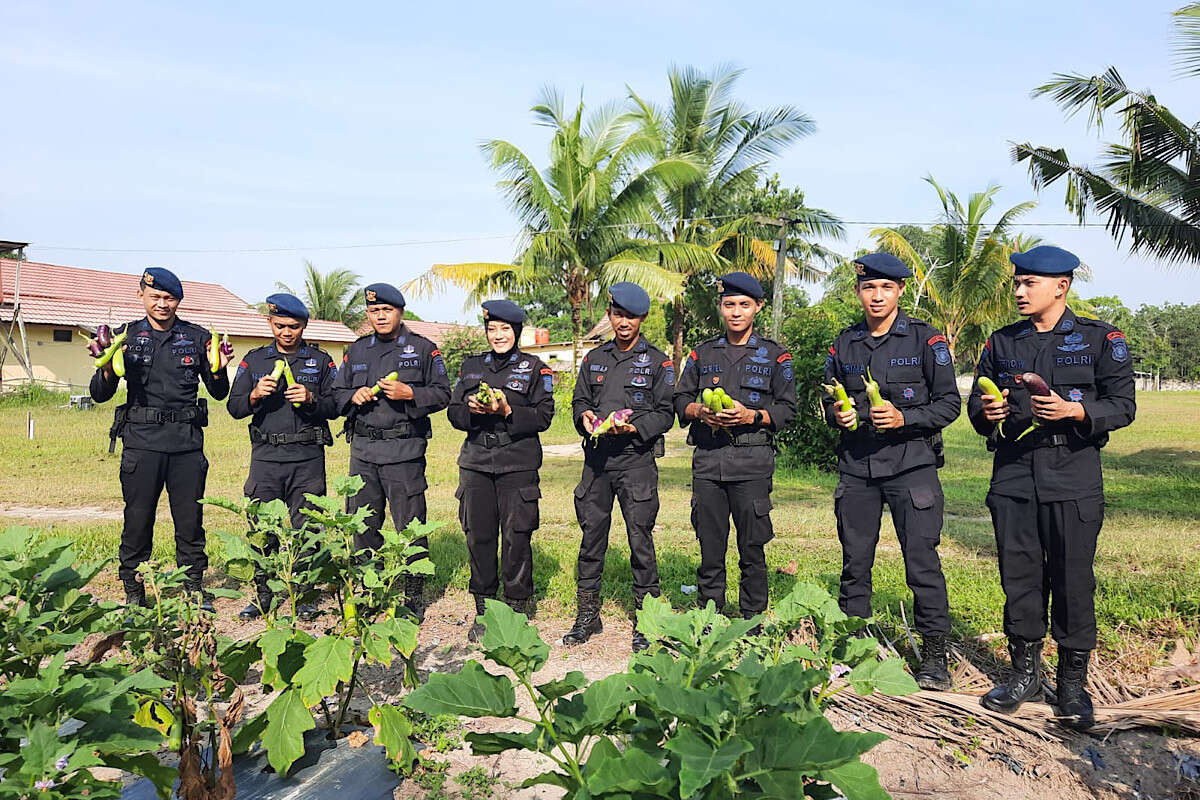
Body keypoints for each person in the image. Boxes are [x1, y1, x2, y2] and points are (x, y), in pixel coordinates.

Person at [969, 245, 1135, 729]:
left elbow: (1123, 405)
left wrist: (1077, 411)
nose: (1019, 291)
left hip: (1074, 472)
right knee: (1019, 576)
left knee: (1073, 578)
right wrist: (990, 413)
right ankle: (1024, 675)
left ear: (1060, 286)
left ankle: (1071, 682)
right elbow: (978, 403)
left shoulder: (1101, 338)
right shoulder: (1002, 342)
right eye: (1017, 283)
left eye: (1029, 283)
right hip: (1015, 473)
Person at [822, 252, 960, 689]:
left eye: (885, 288)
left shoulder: (926, 341)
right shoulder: (844, 344)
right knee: (854, 561)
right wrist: (837, 415)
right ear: (859, 292)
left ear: (900, 291)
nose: (876, 296)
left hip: (911, 466)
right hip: (857, 467)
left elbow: (949, 404)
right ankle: (854, 647)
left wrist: (905, 418)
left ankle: (935, 655)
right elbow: (830, 399)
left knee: (921, 562)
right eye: (868, 288)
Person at [88, 267, 232, 609]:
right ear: (141, 296)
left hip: (185, 444)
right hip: (142, 443)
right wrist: (108, 365)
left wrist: (219, 366)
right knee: (137, 520)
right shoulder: (123, 336)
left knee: (189, 522)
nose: (162, 304)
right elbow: (98, 393)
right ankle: (135, 592)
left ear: (178, 300)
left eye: (169, 298)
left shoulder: (197, 338)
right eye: (155, 297)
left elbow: (220, 392)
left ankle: (193, 589)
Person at [673, 271, 796, 622]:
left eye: (744, 305)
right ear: (720, 307)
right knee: (710, 547)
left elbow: (787, 411)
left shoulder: (776, 356)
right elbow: (679, 399)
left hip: (752, 463)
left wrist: (750, 416)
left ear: (757, 307)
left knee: (752, 548)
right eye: (729, 305)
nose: (736, 312)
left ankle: (752, 618)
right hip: (709, 462)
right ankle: (709, 617)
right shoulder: (702, 354)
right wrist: (699, 411)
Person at [563, 283, 675, 651]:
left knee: (640, 539)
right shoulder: (594, 358)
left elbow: (665, 413)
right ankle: (587, 617)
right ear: (609, 315)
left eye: (630, 316)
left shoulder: (658, 361)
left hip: (635, 461)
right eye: (617, 314)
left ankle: (646, 622)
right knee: (591, 537)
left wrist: (636, 427)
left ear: (641, 318)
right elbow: (579, 400)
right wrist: (586, 417)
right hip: (597, 461)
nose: (623, 322)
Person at [331, 283, 450, 621]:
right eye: (373, 311)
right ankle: (370, 592)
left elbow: (443, 394)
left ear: (400, 311)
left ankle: (414, 596)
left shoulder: (424, 349)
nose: (380, 315)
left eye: (386, 310)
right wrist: (351, 397)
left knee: (410, 526)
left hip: (404, 450)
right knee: (363, 525)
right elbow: (337, 393)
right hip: (364, 451)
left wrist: (410, 392)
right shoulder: (356, 351)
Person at [227, 293, 339, 620]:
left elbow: (337, 406)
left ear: (304, 325)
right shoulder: (254, 361)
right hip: (265, 457)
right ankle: (265, 595)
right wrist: (254, 395)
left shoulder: (320, 362)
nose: (287, 332)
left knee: (309, 531)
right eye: (280, 326)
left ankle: (305, 597)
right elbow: (234, 408)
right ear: (269, 323)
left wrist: (312, 398)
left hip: (306, 457)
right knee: (263, 530)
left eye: (294, 326)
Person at [446, 300, 554, 640]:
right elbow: (453, 413)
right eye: (492, 329)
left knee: (516, 537)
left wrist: (508, 410)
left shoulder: (536, 368)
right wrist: (471, 409)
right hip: (476, 462)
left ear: (517, 331)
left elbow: (544, 416)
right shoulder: (472, 366)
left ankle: (516, 609)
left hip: (517, 463)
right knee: (478, 537)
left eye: (505, 329)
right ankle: (484, 610)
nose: (498, 335)